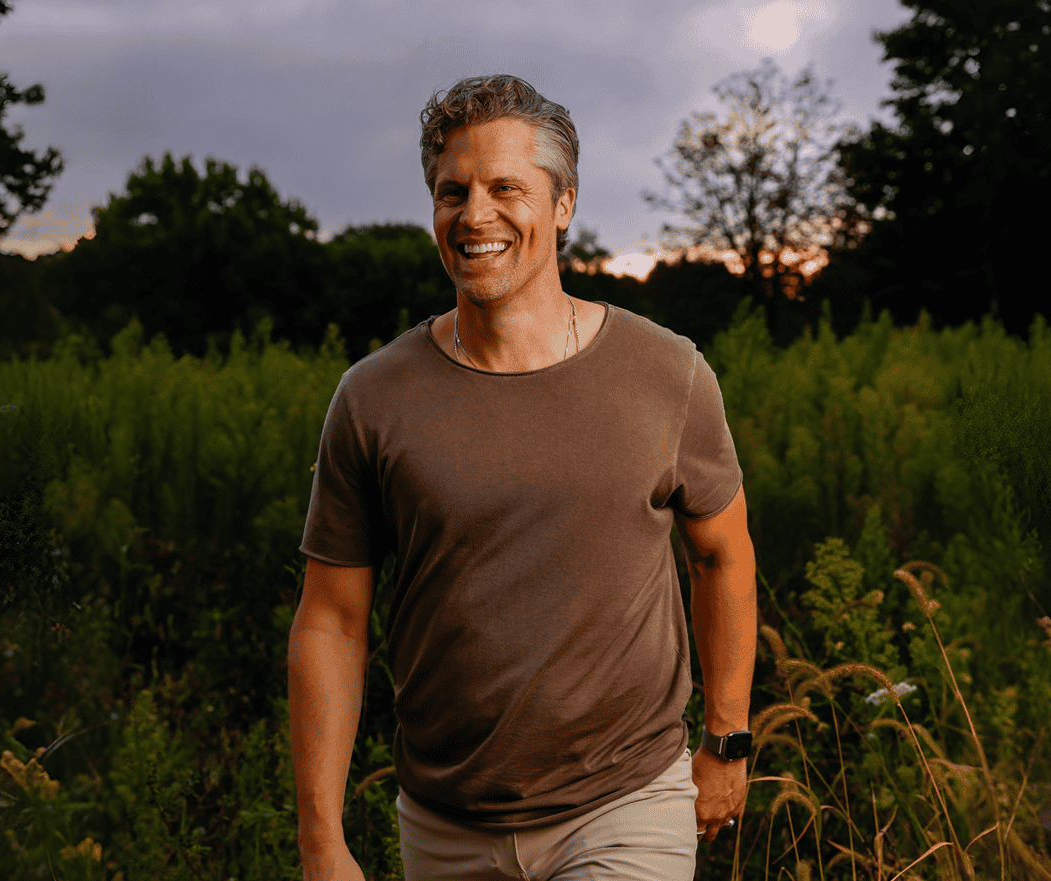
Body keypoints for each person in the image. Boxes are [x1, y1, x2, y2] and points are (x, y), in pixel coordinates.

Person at [288, 73, 758, 881]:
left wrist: (726, 738)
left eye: (507, 187)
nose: (475, 215)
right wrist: (322, 840)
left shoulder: (666, 374)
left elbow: (722, 554)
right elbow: (331, 620)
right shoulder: (373, 397)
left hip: (625, 802)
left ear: (563, 203)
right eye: (452, 191)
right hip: (445, 825)